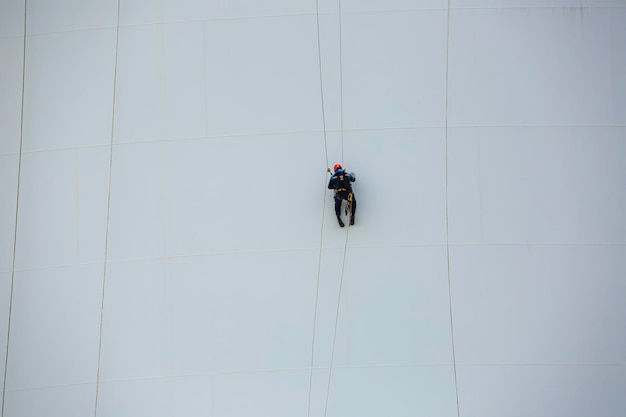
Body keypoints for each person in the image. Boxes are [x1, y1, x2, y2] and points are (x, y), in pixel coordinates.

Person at [328, 163, 356, 227]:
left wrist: (335, 185)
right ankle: (352, 215)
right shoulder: (347, 174)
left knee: (337, 204)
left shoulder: (333, 177)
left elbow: (329, 187)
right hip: (347, 193)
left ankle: (338, 217)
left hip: (338, 195)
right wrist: (352, 174)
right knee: (353, 202)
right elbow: (353, 179)